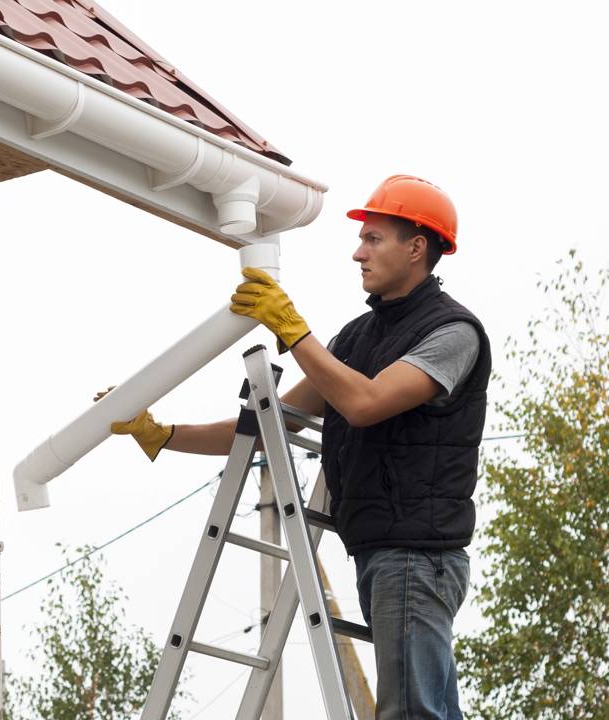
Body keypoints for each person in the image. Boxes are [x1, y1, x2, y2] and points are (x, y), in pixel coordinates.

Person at [105, 175, 490, 719]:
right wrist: (165, 436)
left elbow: (365, 403)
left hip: (418, 555)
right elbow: (270, 423)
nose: (358, 252)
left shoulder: (453, 333)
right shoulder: (359, 339)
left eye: (374, 238)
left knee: (413, 715)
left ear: (417, 247)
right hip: (384, 550)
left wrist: (293, 330)